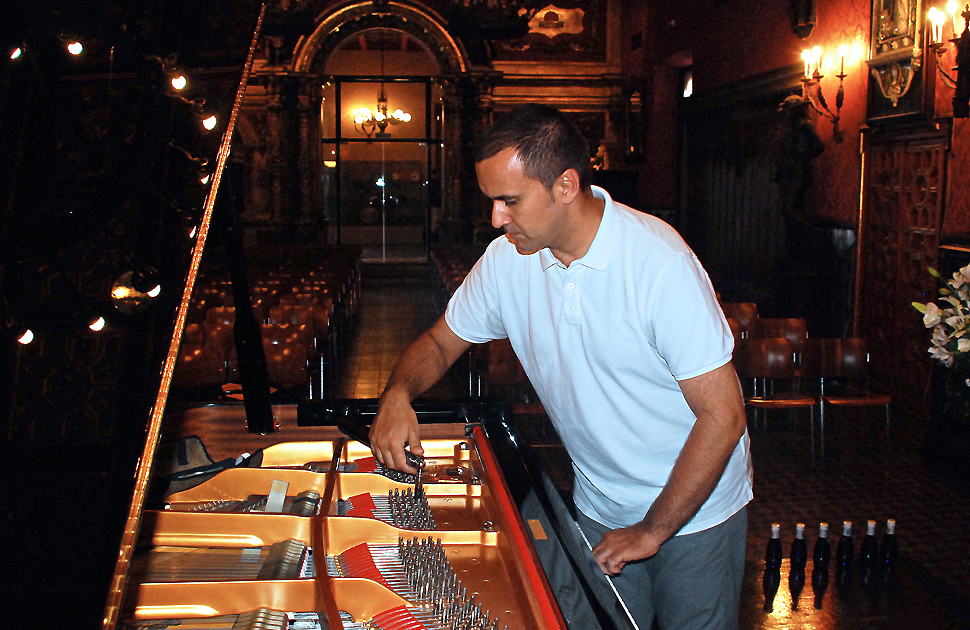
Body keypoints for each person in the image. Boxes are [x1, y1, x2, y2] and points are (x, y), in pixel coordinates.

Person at [369, 104, 752, 629]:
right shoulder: (508, 260)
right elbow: (440, 341)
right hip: (600, 503)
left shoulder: (659, 264)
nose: (496, 219)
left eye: (510, 201)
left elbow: (724, 416)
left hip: (696, 511)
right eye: (492, 202)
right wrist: (397, 394)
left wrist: (653, 529)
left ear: (566, 186)